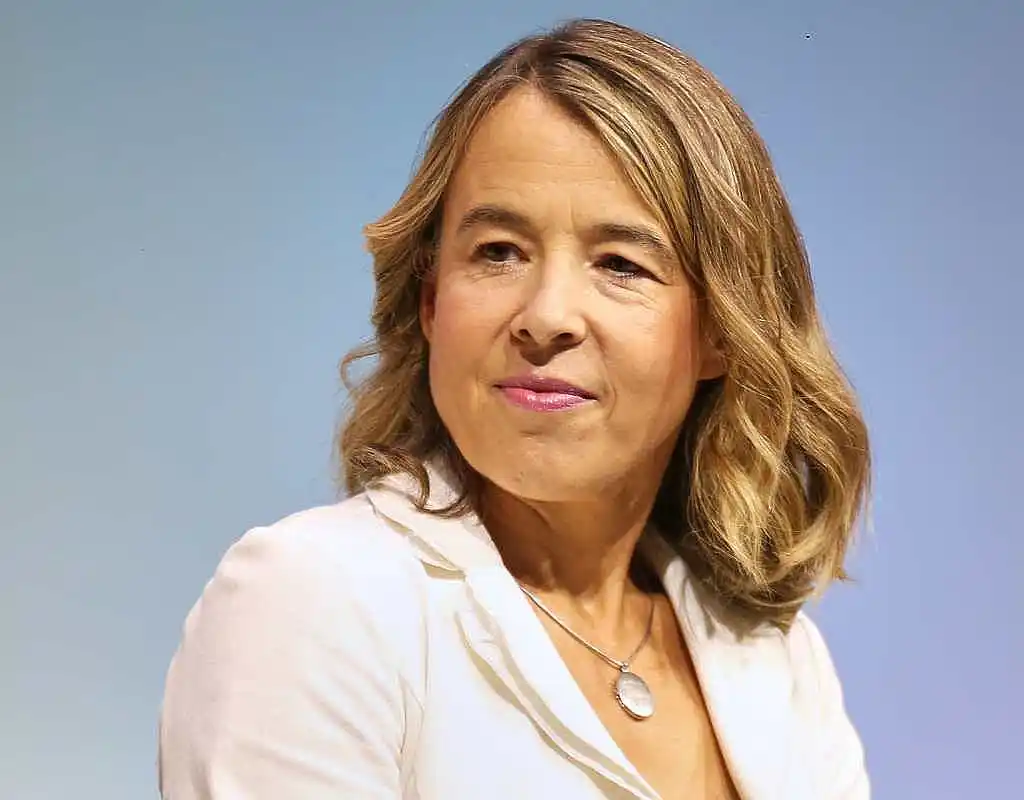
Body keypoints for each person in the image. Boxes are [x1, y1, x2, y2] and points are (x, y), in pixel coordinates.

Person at [159, 18, 871, 800]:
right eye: (498, 251)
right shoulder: (315, 599)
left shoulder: (778, 662)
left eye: (620, 264)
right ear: (431, 301)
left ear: (723, 333)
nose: (546, 315)